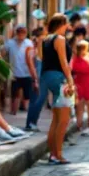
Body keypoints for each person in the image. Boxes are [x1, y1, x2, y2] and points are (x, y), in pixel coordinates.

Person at [32, 14, 75, 163]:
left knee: (56, 119)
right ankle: (58, 155)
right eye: (66, 24)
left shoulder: (45, 39)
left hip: (47, 76)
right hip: (59, 78)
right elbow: (63, 61)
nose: (67, 27)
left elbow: (42, 59)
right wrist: (70, 81)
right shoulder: (60, 39)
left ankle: (53, 154)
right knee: (64, 119)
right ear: (61, 24)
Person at [4, 26, 37, 118]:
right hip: (14, 73)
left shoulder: (29, 43)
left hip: (26, 72)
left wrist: (33, 72)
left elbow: (32, 57)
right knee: (15, 94)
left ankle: (26, 112)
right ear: (16, 33)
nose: (21, 34)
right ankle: (13, 111)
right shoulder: (10, 43)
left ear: (26, 33)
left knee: (27, 95)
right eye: (19, 32)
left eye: (23, 32)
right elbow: (3, 52)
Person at [71, 40, 89, 135]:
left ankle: (80, 127)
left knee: (80, 108)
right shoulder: (88, 58)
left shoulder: (74, 60)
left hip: (79, 85)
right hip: (87, 84)